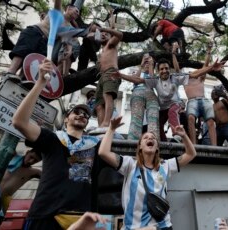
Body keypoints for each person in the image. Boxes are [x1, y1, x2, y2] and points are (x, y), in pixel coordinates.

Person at [13, 59, 105, 229]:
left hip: (81, 218)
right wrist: (40, 83)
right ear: (66, 118)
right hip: (46, 214)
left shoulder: (95, 146)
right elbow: (19, 121)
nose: (82, 115)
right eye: (76, 112)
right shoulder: (52, 138)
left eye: (86, 114)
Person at [98, 116, 197, 229]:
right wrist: (111, 128)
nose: (150, 139)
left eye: (153, 138)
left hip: (162, 227)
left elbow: (191, 154)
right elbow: (103, 152)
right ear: (140, 147)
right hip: (135, 228)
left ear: (157, 148)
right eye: (145, 138)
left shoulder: (165, 166)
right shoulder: (129, 164)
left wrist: (184, 136)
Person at [115, 55, 225, 141]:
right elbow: (138, 80)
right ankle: (163, 141)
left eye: (166, 68)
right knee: (157, 123)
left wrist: (211, 67)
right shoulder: (155, 80)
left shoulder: (175, 78)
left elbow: (194, 75)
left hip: (176, 105)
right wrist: (120, 75)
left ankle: (177, 134)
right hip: (163, 108)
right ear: (158, 71)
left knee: (172, 111)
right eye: (162, 69)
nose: (164, 71)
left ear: (169, 69)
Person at [90, 20, 123, 134]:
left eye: (106, 34)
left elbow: (120, 35)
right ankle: (101, 127)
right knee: (98, 104)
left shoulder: (111, 44)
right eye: (102, 34)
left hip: (111, 73)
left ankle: (106, 123)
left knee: (107, 96)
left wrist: (105, 29)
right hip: (102, 77)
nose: (103, 34)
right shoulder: (102, 50)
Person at [184, 41, 217, 145]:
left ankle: (215, 146)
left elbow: (205, 66)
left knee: (211, 121)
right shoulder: (184, 80)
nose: (191, 73)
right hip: (192, 101)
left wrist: (209, 51)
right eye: (190, 72)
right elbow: (176, 69)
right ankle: (193, 144)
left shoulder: (200, 78)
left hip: (203, 99)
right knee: (190, 117)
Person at [127, 54, 160, 140]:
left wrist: (151, 66)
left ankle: (154, 139)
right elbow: (135, 80)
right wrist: (141, 66)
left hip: (150, 93)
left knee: (153, 118)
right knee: (135, 119)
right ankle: (132, 141)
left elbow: (152, 82)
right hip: (138, 91)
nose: (147, 64)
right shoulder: (138, 73)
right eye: (145, 62)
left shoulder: (154, 74)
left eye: (148, 63)